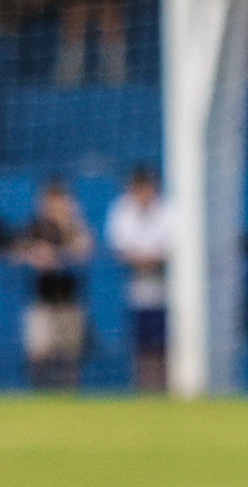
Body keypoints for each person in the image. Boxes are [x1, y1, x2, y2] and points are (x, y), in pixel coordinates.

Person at [18, 175, 94, 392]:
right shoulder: (36, 227)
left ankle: (69, 395)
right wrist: (35, 255)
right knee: (39, 351)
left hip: (69, 299)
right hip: (42, 300)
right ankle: (40, 394)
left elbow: (84, 250)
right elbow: (21, 251)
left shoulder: (74, 226)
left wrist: (59, 254)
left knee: (70, 354)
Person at [104, 165, 170, 393]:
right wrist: (146, 258)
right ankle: (145, 390)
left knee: (165, 345)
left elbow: (172, 247)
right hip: (136, 290)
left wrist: (148, 257)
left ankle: (165, 389)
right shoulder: (122, 209)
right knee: (142, 346)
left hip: (167, 291)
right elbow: (120, 248)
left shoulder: (168, 210)